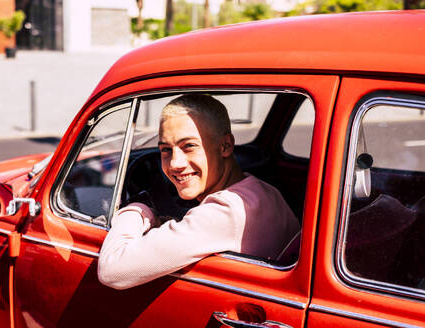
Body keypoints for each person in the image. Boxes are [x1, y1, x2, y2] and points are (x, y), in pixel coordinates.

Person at [98, 94, 300, 290]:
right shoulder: (264, 190)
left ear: (226, 146)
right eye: (166, 150)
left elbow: (112, 270)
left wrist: (138, 209)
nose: (175, 164)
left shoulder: (224, 212)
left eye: (189, 146)